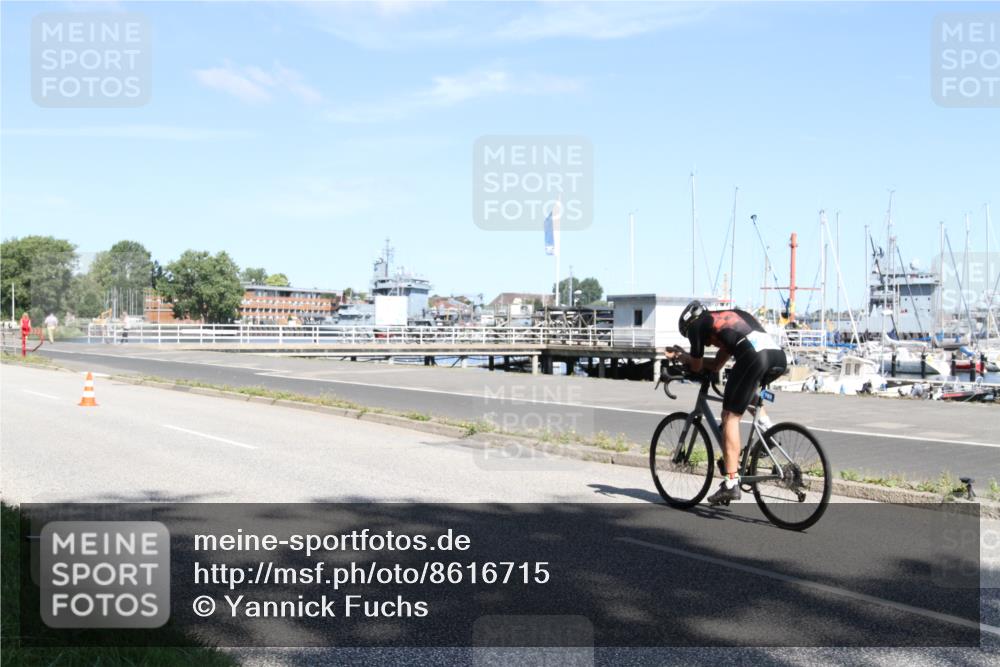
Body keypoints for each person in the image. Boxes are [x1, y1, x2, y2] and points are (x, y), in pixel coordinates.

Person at [665, 300, 787, 505]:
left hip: (754, 357)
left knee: (729, 417)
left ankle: (731, 484)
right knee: (745, 394)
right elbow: (715, 365)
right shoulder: (727, 320)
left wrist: (682, 356)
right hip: (777, 357)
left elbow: (696, 367)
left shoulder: (696, 325)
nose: (706, 344)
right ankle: (769, 433)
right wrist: (691, 359)